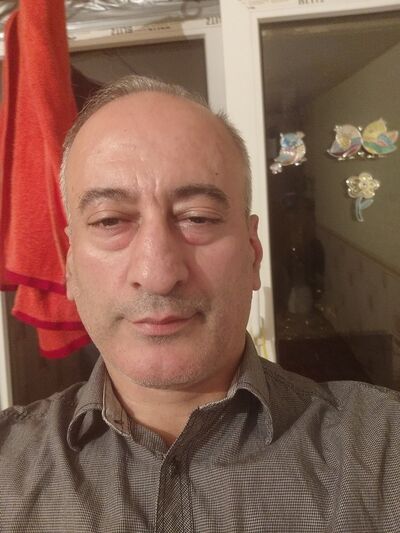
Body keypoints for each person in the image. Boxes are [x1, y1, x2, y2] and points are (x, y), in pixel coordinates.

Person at [1, 74, 400, 533]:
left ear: (253, 253)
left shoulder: (382, 453)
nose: (157, 273)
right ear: (70, 266)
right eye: (110, 221)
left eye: (198, 218)